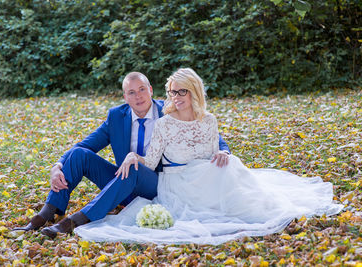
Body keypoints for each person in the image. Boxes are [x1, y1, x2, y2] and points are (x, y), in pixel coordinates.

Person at [75, 68, 343, 245]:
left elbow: (215, 147)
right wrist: (135, 156)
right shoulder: (165, 123)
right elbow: (152, 161)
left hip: (204, 176)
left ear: (194, 92)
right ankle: (81, 218)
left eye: (183, 91)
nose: (177, 97)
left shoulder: (209, 120)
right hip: (176, 183)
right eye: (173, 92)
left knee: (234, 176)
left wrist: (223, 153)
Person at [13, 71, 231, 238]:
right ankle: (48, 211)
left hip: (158, 186)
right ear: (125, 96)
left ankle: (76, 220)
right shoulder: (116, 116)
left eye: (142, 89)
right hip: (122, 184)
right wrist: (57, 165)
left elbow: (203, 128)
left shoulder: (171, 109)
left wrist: (223, 150)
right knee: (79, 155)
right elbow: (85, 145)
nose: (138, 96)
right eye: (132, 92)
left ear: (151, 90)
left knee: (135, 166)